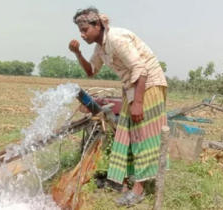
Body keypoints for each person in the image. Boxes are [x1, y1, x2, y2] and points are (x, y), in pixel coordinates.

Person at [69, 7, 169, 207]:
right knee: (126, 134)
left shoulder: (116, 39)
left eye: (85, 29)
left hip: (148, 85)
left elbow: (141, 69)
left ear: (97, 25)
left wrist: (138, 103)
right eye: (80, 30)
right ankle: (126, 181)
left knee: (143, 136)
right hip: (131, 87)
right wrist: (78, 53)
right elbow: (91, 71)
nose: (82, 34)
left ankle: (139, 190)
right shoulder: (100, 48)